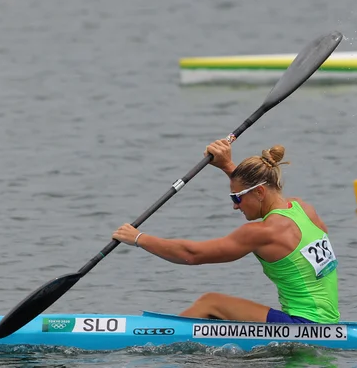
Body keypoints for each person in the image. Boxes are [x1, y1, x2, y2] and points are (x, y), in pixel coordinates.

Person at [112, 139, 340, 324]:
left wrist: (138, 238)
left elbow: (192, 255)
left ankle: (157, 337)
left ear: (259, 192)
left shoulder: (262, 233)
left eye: (237, 198)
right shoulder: (303, 209)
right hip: (328, 323)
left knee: (210, 303)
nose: (235, 206)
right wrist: (227, 165)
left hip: (305, 326)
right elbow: (262, 196)